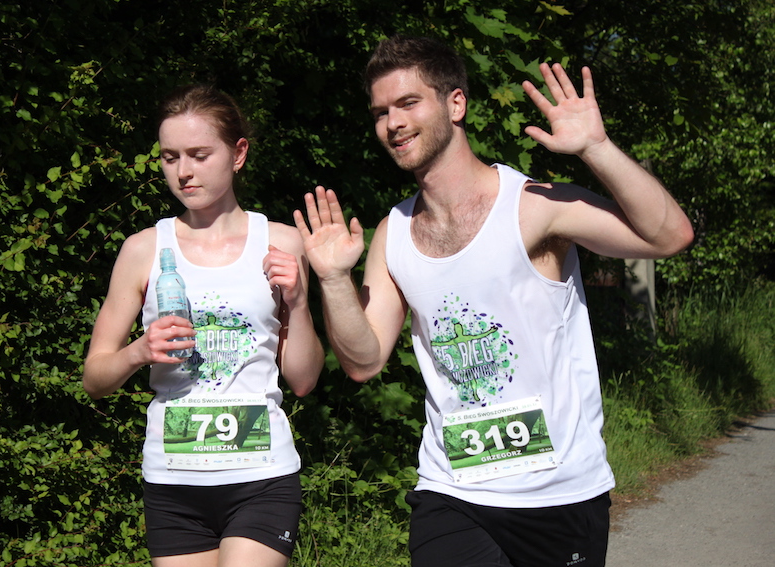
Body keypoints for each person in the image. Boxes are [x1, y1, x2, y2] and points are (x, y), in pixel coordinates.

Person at [294, 35, 694, 567]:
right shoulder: (393, 233)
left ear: (455, 103)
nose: (392, 123)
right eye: (381, 112)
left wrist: (596, 147)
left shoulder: (534, 207)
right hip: (451, 491)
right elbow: (363, 361)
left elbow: (669, 237)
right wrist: (332, 280)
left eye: (408, 103)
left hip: (559, 494)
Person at [83, 84, 324, 567]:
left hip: (261, 473)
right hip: (173, 480)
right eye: (170, 157)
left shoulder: (282, 242)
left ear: (238, 154)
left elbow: (303, 380)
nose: (183, 171)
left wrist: (297, 304)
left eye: (198, 154)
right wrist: (138, 352)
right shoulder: (142, 249)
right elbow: (95, 378)